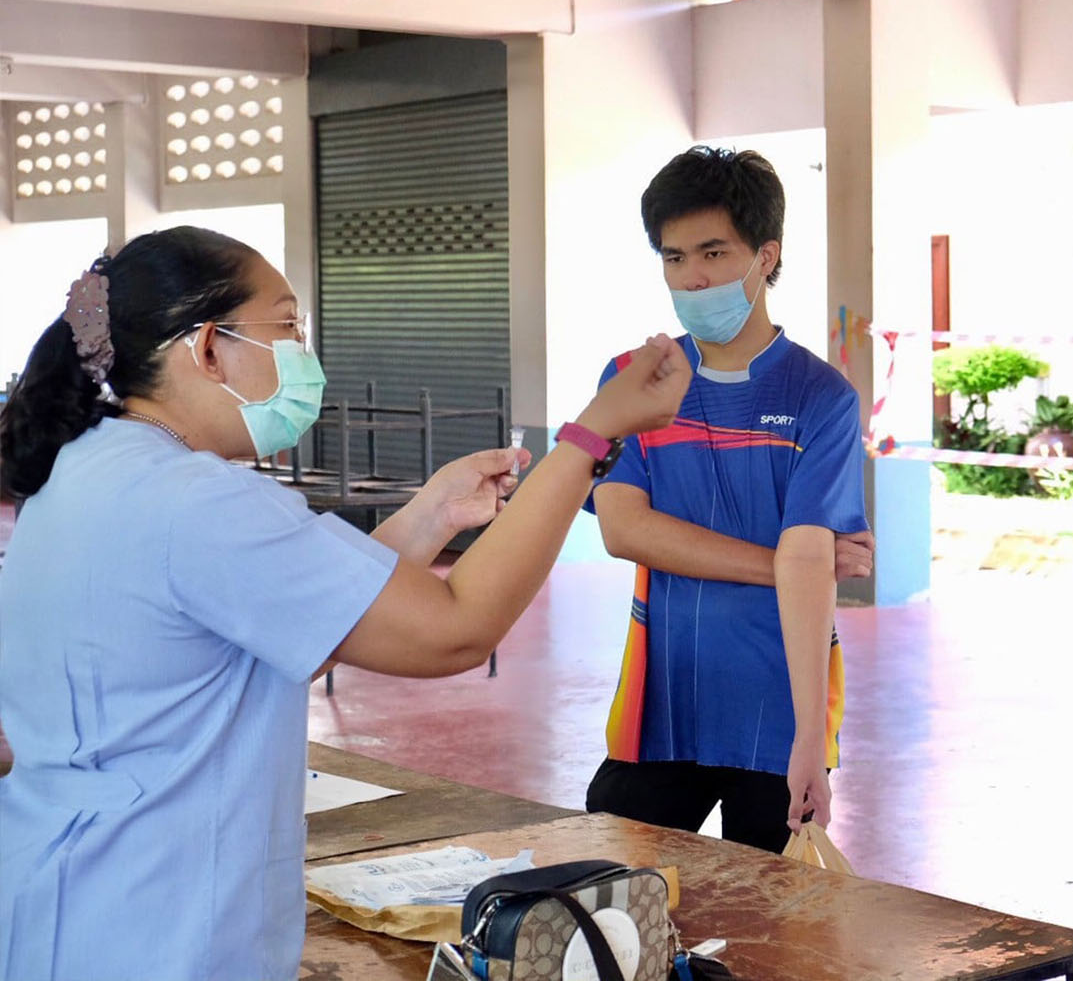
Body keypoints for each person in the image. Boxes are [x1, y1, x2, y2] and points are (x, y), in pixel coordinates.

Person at [0, 226, 691, 981]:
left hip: (63, 904)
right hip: (159, 930)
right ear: (206, 348)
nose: (304, 352)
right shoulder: (198, 501)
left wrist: (431, 516)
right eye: (287, 326)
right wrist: (590, 440)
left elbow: (299, 621)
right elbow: (456, 629)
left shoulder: (85, 475)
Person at [584, 145, 872, 854]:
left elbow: (811, 556)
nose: (693, 277)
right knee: (613, 905)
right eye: (674, 257)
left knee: (769, 943)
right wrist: (785, 564)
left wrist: (810, 736)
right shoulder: (634, 377)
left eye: (713, 252)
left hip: (781, 708)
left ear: (766, 255)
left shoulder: (820, 397)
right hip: (660, 705)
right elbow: (625, 530)